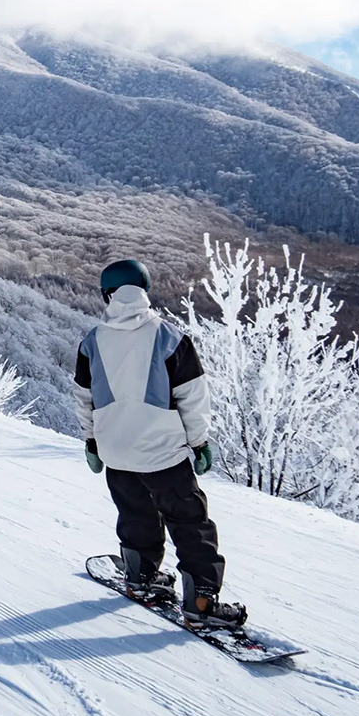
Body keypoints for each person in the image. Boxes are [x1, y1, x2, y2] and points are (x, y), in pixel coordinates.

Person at [73, 259, 247, 629]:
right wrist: (199, 443)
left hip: (116, 450)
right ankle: (201, 601)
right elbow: (193, 397)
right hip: (162, 452)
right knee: (189, 521)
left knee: (135, 512)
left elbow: (84, 397)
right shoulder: (170, 337)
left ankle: (140, 577)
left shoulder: (91, 341)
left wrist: (91, 440)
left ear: (108, 294)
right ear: (144, 290)